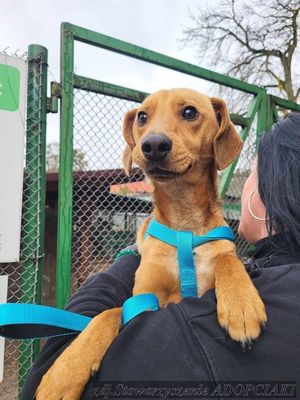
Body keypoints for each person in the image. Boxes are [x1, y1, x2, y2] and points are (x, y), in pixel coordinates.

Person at [23, 113, 300, 400]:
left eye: (252, 173)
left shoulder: (198, 335)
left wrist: (134, 254)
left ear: (270, 191)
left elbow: (42, 379)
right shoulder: (270, 271)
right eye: (142, 119)